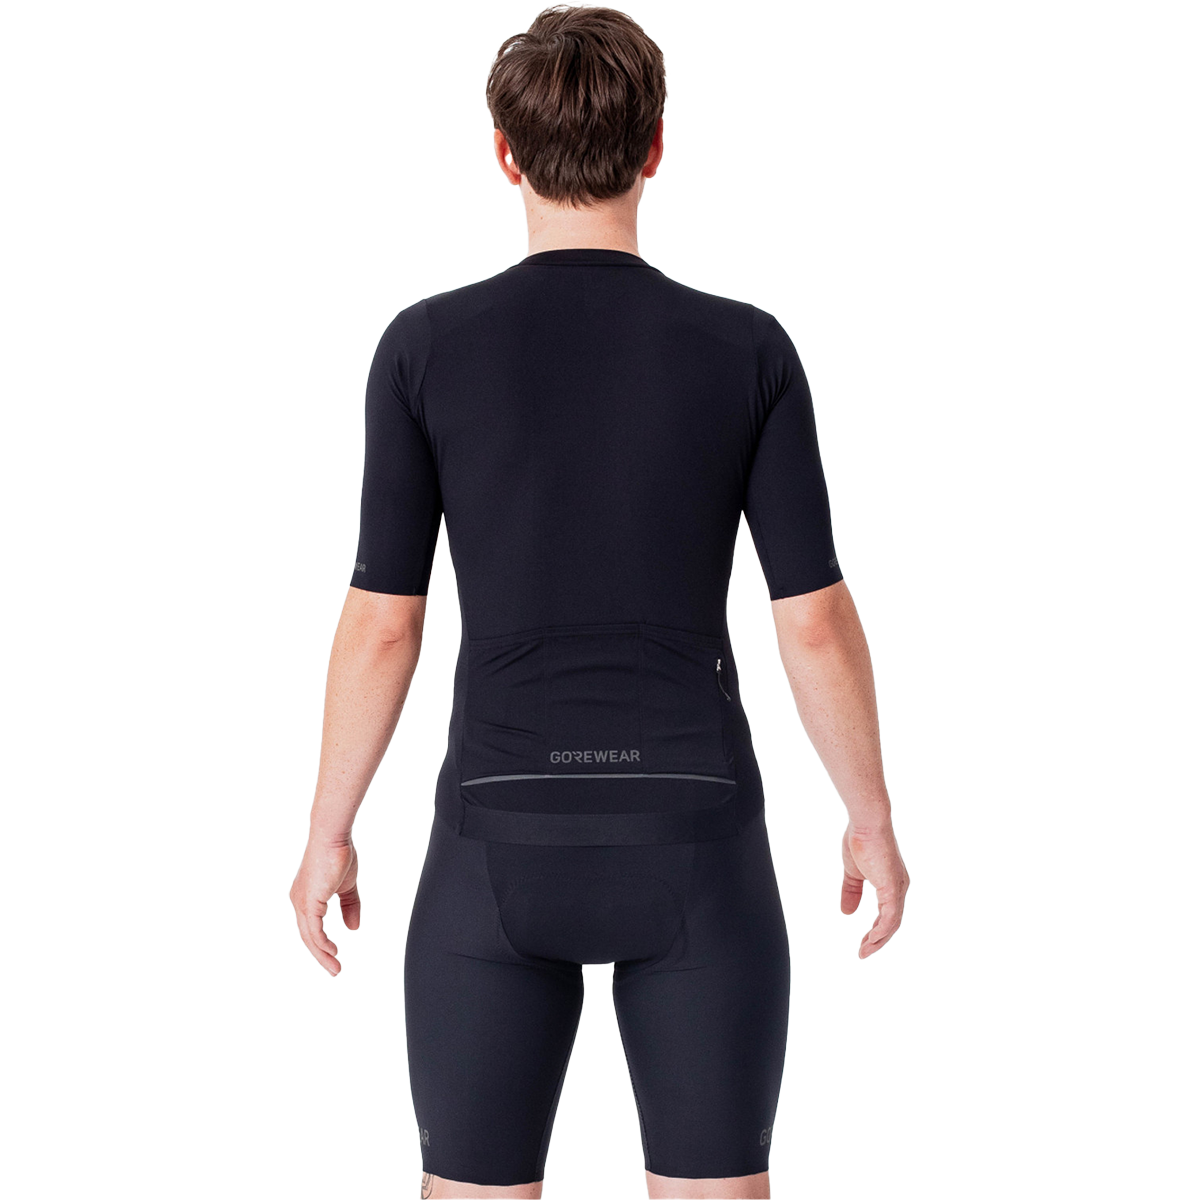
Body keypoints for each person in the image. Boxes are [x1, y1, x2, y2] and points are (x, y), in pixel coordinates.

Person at [289, 4, 910, 1197]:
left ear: (505, 153)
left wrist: (327, 832)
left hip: (495, 840)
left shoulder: (423, 349)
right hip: (695, 839)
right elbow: (813, 618)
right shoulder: (749, 351)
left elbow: (384, 623)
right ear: (656, 145)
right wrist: (870, 816)